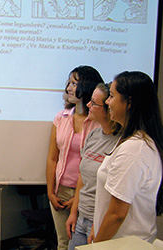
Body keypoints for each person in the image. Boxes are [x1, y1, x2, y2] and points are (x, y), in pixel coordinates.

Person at [89, 71, 163, 244]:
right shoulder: (130, 140)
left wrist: (96, 245)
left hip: (123, 243)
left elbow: (117, 214)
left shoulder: (134, 149)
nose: (107, 102)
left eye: (112, 96)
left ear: (129, 103)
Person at [46, 65, 103, 250]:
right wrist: (50, 192)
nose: (69, 88)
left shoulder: (97, 123)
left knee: (83, 245)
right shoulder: (60, 118)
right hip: (60, 191)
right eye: (68, 83)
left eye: (74, 83)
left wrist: (77, 200)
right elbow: (52, 158)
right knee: (63, 242)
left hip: (87, 194)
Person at [65, 83, 121, 250]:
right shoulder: (94, 135)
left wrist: (99, 227)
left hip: (100, 221)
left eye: (94, 103)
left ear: (108, 109)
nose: (88, 105)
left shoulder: (122, 143)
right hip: (82, 217)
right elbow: (82, 177)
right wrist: (74, 213)